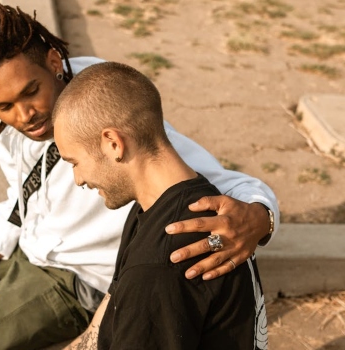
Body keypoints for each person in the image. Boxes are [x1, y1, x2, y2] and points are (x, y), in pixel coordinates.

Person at [0, 0, 278, 348]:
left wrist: (260, 218)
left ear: (54, 62)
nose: (23, 115)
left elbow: (193, 174)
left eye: (31, 92)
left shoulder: (103, 109)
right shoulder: (14, 122)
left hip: (71, 278)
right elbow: (20, 196)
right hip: (32, 241)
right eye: (5, 106)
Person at [54, 61, 268, 350]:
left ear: (113, 143)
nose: (78, 179)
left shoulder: (159, 265)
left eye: (75, 163)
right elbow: (99, 329)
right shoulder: (170, 204)